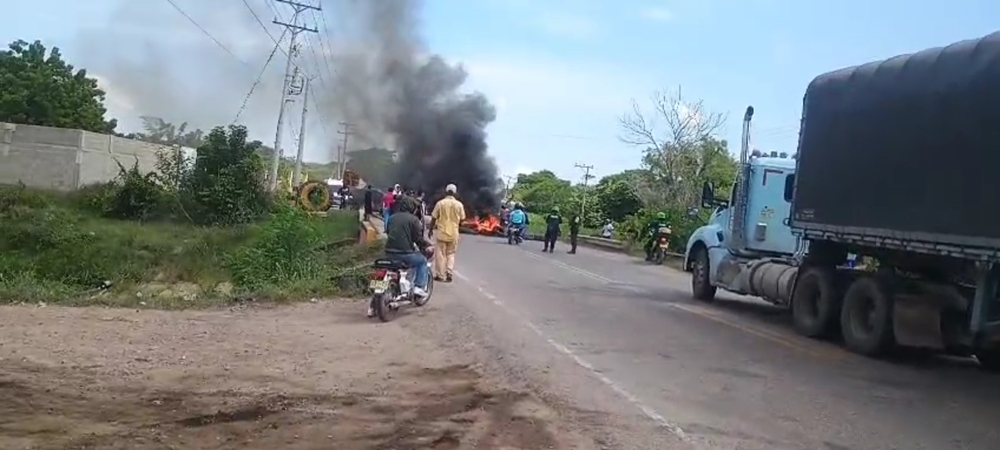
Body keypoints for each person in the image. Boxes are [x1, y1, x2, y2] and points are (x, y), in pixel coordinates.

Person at [370, 196, 432, 318]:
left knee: (381, 278)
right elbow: (418, 239)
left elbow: (388, 231)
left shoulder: (392, 218)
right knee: (422, 261)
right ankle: (418, 287)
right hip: (405, 254)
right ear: (411, 208)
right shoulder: (414, 220)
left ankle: (372, 307)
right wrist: (427, 246)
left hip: (389, 253)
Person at [430, 183, 465, 282]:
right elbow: (462, 219)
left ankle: (440, 275)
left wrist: (430, 230)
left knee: (440, 254)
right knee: (451, 254)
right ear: (455, 193)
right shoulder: (459, 205)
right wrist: (457, 225)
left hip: (442, 232)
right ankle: (449, 272)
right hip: (454, 233)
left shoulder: (440, 203)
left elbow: (433, 217)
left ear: (446, 191)